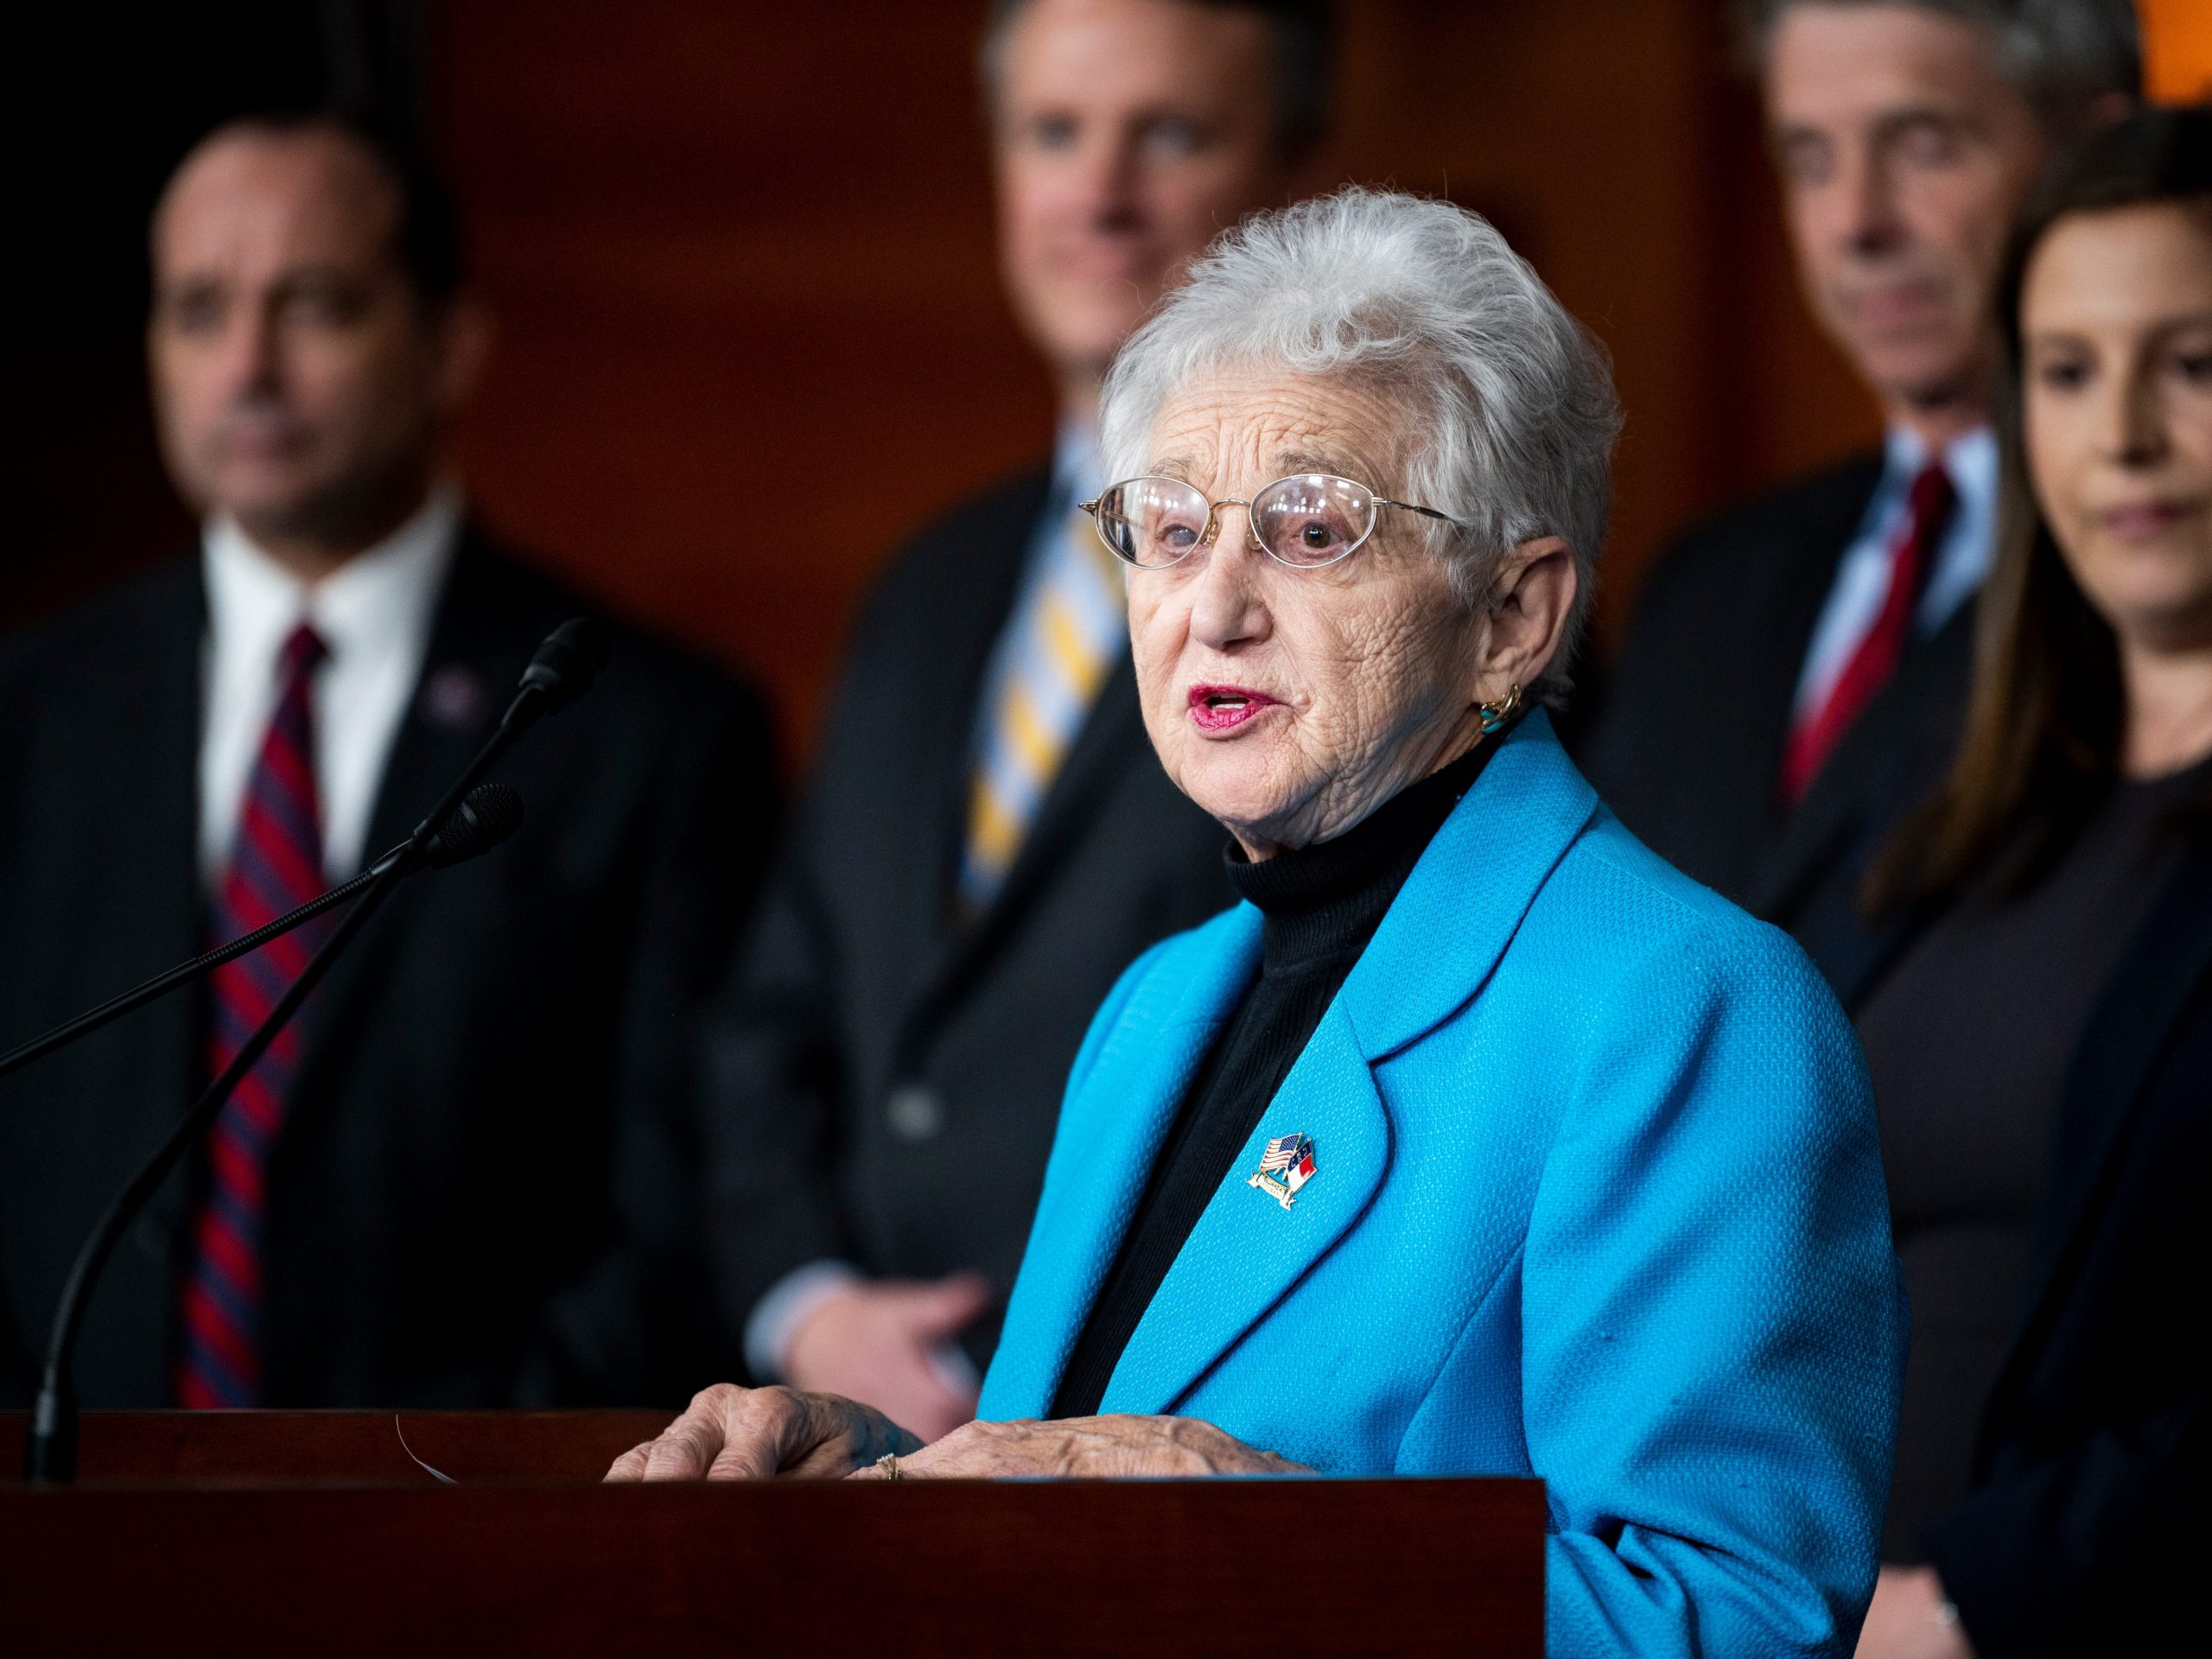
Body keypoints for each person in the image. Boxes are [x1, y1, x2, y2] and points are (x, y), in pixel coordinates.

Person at [615, 188, 1909, 1659]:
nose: (1210, 608)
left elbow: (1734, 1621)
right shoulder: (1157, 1005)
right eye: (1168, 530)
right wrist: (889, 1481)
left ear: (1513, 617)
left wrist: (1255, 1534)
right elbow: (1088, 1497)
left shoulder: (1687, 1008)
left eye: (1309, 530)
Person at [0, 112, 776, 1409]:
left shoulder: (647, 731)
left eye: (312, 306)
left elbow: (679, 1222)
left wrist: (426, 1502)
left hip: (463, 1546)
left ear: (447, 346)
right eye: (200, 310)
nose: (246, 366)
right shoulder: (28, 714)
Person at [697, 0, 1332, 1441]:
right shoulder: (930, 584)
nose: (1098, 195)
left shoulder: (1368, 581)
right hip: (845, 1451)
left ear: (1295, 181)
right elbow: (775, 1023)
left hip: (1171, 1452)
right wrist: (809, 1305)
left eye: (1168, 134)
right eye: (1054, 133)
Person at [1843, 108, 2212, 1659]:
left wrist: (1984, 1601)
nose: (2120, 433)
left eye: (2192, 364)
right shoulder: (1967, 795)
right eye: (2066, 371)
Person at [1578, 0, 2137, 993]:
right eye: (1810, 159)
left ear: (2093, 156)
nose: (1853, 223)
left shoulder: (2156, 585)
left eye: (1921, 146)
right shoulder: (1701, 584)